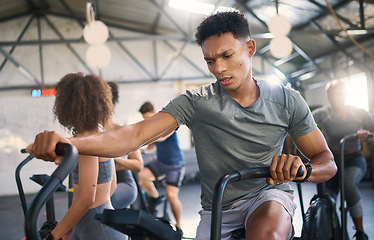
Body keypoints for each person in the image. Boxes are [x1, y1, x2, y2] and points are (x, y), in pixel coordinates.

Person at [27, 11, 337, 240]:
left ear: (250, 49)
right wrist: (68, 144)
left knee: (265, 234)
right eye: (210, 61)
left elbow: (327, 162)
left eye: (227, 55)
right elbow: (133, 135)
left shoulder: (287, 100)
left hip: (267, 194)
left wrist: (304, 170)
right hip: (218, 207)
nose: (219, 68)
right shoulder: (196, 101)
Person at [39, 73, 126, 240]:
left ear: (67, 105)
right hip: (99, 217)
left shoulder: (86, 140)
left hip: (97, 225)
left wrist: (53, 236)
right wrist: (73, 223)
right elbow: (112, 185)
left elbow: (86, 198)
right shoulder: (101, 133)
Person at [313, 80, 373, 240]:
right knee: (327, 198)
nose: (335, 98)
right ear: (328, 97)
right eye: (332, 95)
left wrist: (366, 135)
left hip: (354, 159)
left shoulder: (360, 113)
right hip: (331, 162)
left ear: (346, 94)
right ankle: (335, 232)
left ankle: (360, 233)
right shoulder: (323, 113)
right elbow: (303, 122)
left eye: (339, 93)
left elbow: (373, 134)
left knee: (347, 182)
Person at [138, 101, 185, 231]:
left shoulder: (167, 123)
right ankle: (155, 198)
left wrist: (141, 139)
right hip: (160, 162)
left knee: (171, 196)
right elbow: (152, 147)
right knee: (142, 176)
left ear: (154, 113)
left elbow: (161, 138)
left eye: (148, 118)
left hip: (175, 165)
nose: (147, 121)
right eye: (145, 119)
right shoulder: (151, 129)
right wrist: (141, 150)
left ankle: (179, 225)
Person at [104, 81, 143, 210]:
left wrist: (113, 158)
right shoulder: (91, 132)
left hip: (123, 181)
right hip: (101, 183)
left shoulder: (123, 131)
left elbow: (138, 165)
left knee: (104, 199)